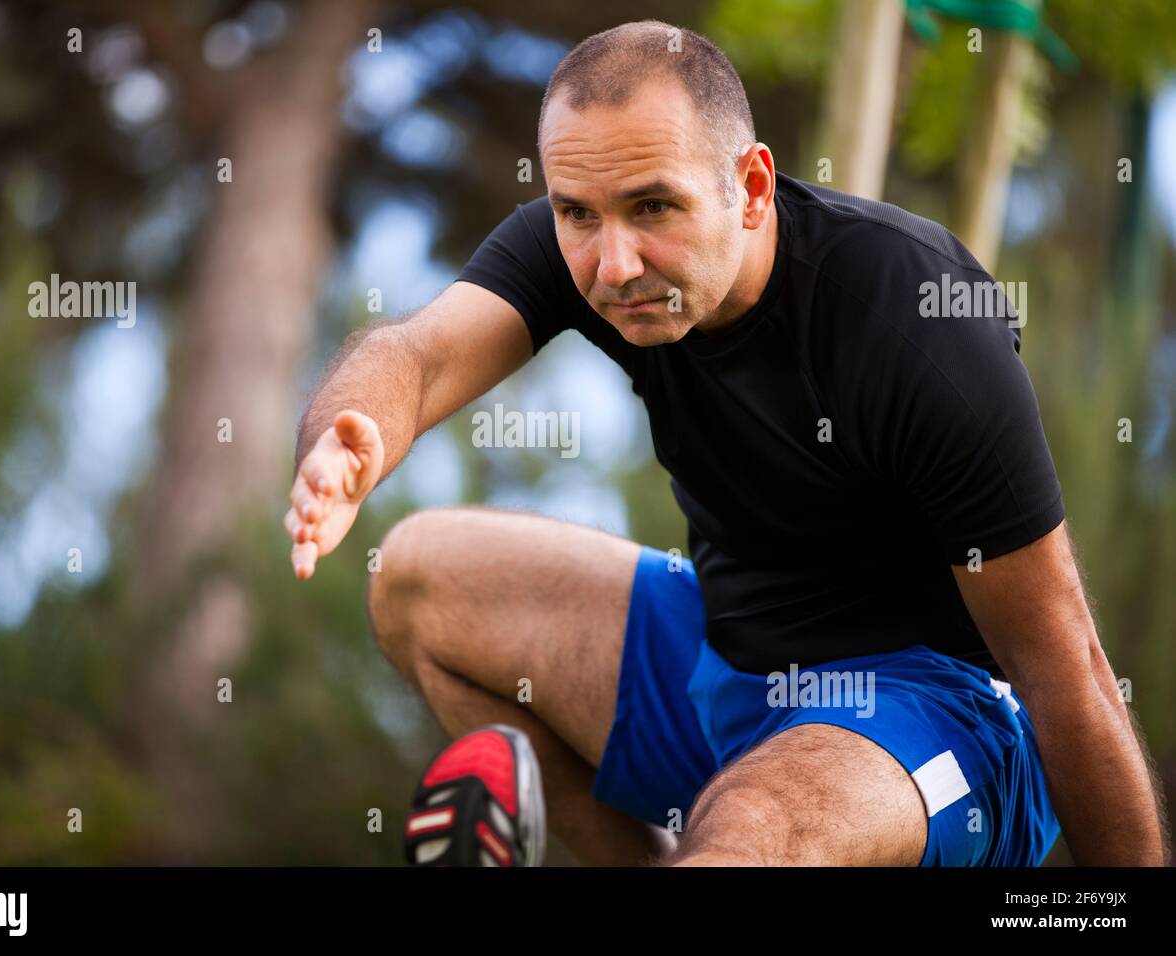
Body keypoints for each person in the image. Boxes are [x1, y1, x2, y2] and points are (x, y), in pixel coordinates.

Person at [285, 20, 1169, 867]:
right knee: (418, 577)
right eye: (577, 214)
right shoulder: (593, 243)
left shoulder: (915, 319)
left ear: (751, 186)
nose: (614, 262)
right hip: (725, 663)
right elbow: (419, 354)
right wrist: (347, 437)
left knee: (754, 822)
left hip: (940, 717)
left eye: (654, 206)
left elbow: (1065, 667)